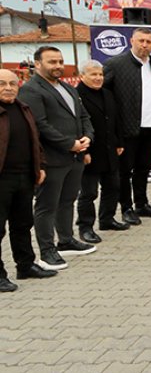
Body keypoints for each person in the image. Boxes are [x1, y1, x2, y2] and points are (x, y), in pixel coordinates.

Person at [19, 47, 95, 270]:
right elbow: (40, 125)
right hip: (52, 158)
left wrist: (87, 138)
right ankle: (47, 250)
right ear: (38, 64)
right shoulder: (31, 90)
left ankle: (65, 240)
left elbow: (83, 116)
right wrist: (69, 143)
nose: (58, 66)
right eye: (52, 62)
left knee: (67, 200)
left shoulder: (67, 88)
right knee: (46, 205)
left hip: (75, 157)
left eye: (60, 61)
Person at [0, 68, 56, 292]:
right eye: (2, 83)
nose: (8, 88)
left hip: (24, 177)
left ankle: (25, 265)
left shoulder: (23, 108)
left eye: (12, 84)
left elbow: (35, 141)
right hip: (2, 179)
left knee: (22, 224)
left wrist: (40, 165)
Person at [103, 27, 151, 225]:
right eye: (141, 41)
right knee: (125, 171)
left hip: (150, 127)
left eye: (148, 42)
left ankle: (142, 203)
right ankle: (126, 207)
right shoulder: (116, 64)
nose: (144, 45)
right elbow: (103, 94)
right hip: (127, 129)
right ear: (132, 41)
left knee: (143, 168)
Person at [75, 61, 127, 243]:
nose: (98, 78)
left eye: (100, 75)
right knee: (89, 193)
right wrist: (83, 151)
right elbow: (77, 125)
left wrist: (119, 141)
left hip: (110, 149)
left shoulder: (107, 94)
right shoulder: (76, 96)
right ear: (82, 76)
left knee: (113, 186)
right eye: (93, 75)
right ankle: (85, 227)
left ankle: (107, 219)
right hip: (90, 152)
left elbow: (116, 119)